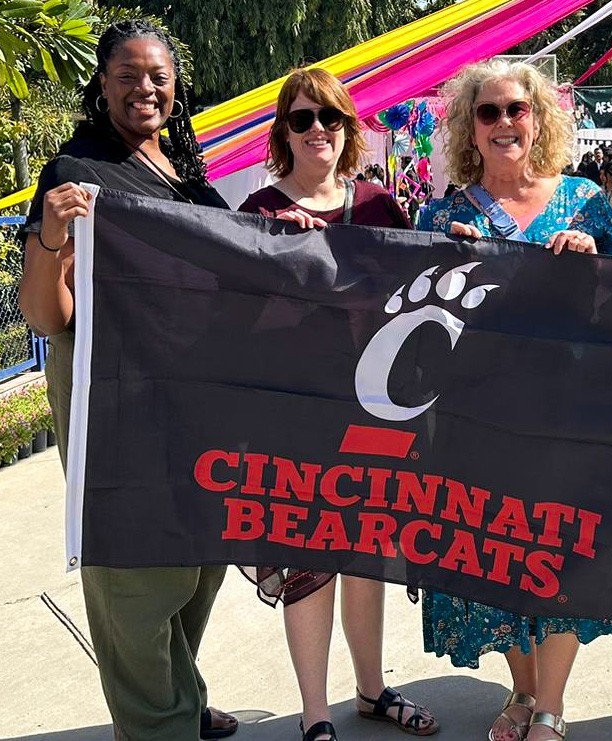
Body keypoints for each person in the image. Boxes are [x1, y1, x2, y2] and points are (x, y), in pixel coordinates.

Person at [17, 20, 238, 741]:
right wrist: (52, 237)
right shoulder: (76, 174)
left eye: (158, 76)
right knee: (137, 572)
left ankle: (178, 692)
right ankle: (155, 724)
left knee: (201, 559)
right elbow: (49, 315)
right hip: (118, 401)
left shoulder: (191, 180)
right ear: (102, 83)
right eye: (128, 74)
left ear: (176, 86)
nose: (145, 87)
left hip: (194, 401)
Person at [417, 58, 612, 741]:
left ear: (538, 117)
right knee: (493, 558)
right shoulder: (442, 213)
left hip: (568, 415)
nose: (505, 122)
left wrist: (596, 256)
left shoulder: (586, 201)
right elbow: (410, 318)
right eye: (489, 112)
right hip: (477, 420)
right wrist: (439, 265)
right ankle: (525, 683)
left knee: (558, 556)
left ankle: (549, 708)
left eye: (517, 109)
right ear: (468, 129)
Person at [237, 67, 438, 741]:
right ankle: (316, 711)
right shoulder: (259, 213)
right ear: (282, 133)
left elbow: (423, 293)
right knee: (308, 557)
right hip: (296, 413)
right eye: (301, 118)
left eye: (329, 117)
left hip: (376, 410)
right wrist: (276, 259)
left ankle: (373, 689)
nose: (317, 129)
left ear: (349, 128)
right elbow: (230, 319)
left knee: (366, 553)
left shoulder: (381, 206)